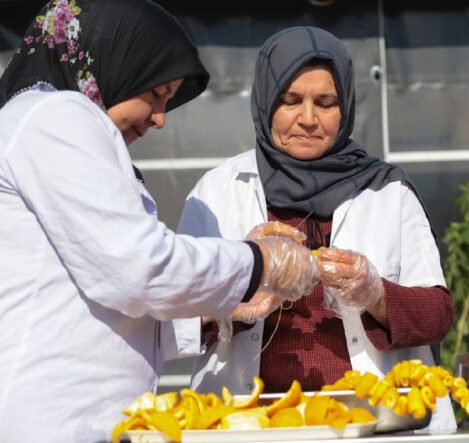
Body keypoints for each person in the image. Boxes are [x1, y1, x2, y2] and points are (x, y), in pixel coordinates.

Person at [0, 1, 317, 441]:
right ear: (114, 60)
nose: (161, 119)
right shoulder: (57, 116)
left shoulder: (52, 125)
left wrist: (210, 313)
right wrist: (260, 263)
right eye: (155, 93)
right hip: (50, 421)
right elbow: (138, 269)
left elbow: (103, 306)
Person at [173, 26, 457, 430]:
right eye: (290, 101)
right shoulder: (216, 193)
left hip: (368, 424)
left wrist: (376, 294)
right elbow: (169, 316)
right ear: (265, 101)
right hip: (246, 425)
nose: (308, 119)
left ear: (346, 108)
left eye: (325, 102)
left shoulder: (387, 190)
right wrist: (232, 296)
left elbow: (438, 315)